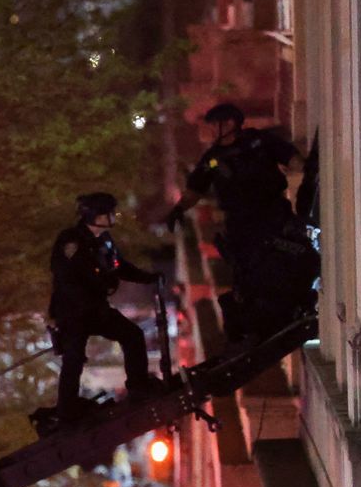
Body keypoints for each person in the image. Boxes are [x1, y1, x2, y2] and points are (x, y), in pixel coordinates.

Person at [165, 103, 313, 339]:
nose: (212, 130)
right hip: (240, 223)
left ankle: (293, 308)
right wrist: (178, 210)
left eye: (215, 124)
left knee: (287, 259)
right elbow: (195, 189)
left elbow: (291, 158)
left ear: (231, 123)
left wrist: (311, 171)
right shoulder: (212, 158)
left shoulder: (259, 142)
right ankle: (249, 329)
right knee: (245, 275)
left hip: (272, 213)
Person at [48, 192, 162, 428]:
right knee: (74, 358)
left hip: (96, 308)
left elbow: (119, 266)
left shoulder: (104, 240)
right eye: (108, 212)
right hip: (72, 312)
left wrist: (149, 278)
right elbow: (66, 280)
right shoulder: (70, 242)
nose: (113, 216)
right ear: (94, 215)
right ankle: (66, 412)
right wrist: (89, 306)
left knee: (132, 335)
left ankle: (138, 386)